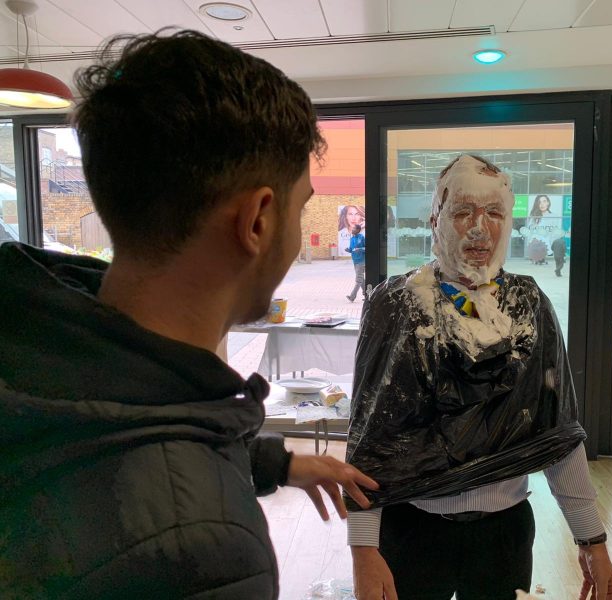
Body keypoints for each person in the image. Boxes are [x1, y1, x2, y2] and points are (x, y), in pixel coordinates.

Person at [0, 31, 378, 599]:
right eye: (301, 206)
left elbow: (122, 431)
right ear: (257, 221)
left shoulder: (44, 344)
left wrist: (273, 461)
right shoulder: (202, 554)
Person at [347, 155, 612, 600]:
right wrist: (362, 548)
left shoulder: (528, 308)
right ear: (436, 218)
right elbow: (369, 436)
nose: (479, 228)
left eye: (494, 213)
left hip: (503, 534)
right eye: (463, 212)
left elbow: (557, 431)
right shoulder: (396, 306)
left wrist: (592, 540)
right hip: (412, 528)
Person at [346, 223, 366, 302]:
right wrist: (348, 250)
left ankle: (352, 296)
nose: (352, 229)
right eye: (352, 228)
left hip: (361, 261)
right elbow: (351, 249)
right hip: (355, 260)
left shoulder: (361, 237)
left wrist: (360, 249)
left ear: (358, 230)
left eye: (354, 228)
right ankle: (367, 294)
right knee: (361, 279)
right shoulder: (352, 238)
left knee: (358, 280)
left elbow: (366, 247)